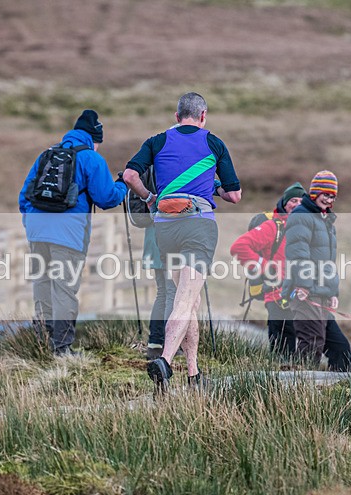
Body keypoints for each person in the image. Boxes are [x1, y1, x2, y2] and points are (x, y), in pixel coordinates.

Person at [123, 92, 242, 391]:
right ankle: (164, 361)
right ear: (203, 116)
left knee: (190, 299)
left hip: (165, 228)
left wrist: (150, 198)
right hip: (198, 227)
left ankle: (193, 373)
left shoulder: (157, 141)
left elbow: (129, 175)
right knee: (186, 299)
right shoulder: (214, 143)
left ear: (177, 117)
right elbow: (235, 195)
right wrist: (210, 184)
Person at [19, 109, 126, 356]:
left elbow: (25, 194)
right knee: (64, 288)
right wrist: (122, 186)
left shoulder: (47, 154)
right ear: (94, 139)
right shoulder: (91, 158)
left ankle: (42, 345)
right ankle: (62, 349)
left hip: (37, 230)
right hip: (67, 233)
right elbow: (106, 198)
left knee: (42, 285)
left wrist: (30, 222)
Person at [281, 170, 351, 372]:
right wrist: (302, 285)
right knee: (311, 344)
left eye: (332, 196)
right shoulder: (301, 216)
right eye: (325, 194)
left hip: (322, 293)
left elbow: (328, 262)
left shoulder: (326, 220)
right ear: (314, 193)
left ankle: (339, 396)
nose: (328, 199)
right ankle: (300, 392)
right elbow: (298, 255)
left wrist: (332, 292)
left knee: (341, 349)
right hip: (305, 293)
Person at [230, 181, 305, 359]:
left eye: (301, 202)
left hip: (296, 290)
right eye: (293, 200)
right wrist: (267, 267)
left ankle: (290, 371)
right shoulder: (274, 225)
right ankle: (281, 372)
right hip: (275, 289)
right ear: (284, 202)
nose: (296, 205)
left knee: (292, 335)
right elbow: (240, 247)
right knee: (280, 338)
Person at [143, 225, 177, 360]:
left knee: (163, 293)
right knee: (171, 293)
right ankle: (170, 344)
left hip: (154, 240)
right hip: (168, 240)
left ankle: (155, 343)